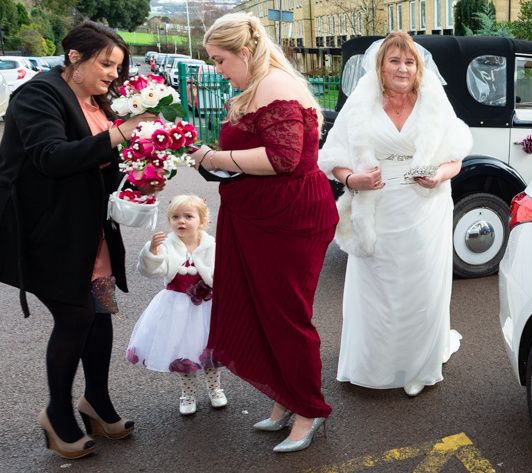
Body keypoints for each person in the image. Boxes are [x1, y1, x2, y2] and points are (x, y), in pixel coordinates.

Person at [0, 21, 159, 459]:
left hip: (89, 232)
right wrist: (124, 131)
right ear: (74, 56)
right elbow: (51, 157)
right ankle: (57, 413)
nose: (113, 74)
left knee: (100, 313)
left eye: (118, 67)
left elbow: (100, 165)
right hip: (49, 232)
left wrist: (138, 180)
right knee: (75, 317)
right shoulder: (37, 95)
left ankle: (96, 402)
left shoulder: (97, 101)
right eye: (106, 63)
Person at [189, 12, 338, 453]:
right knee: (266, 312)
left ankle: (308, 409)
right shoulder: (258, 86)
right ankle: (285, 399)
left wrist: (215, 159)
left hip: (287, 220)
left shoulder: (273, 85)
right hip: (263, 217)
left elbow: (285, 158)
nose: (217, 69)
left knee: (286, 317)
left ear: (246, 52)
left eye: (220, 60)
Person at [318, 32, 472, 396]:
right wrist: (352, 178)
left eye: (409, 61)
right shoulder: (361, 104)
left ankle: (418, 364)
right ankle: (374, 363)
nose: (402, 68)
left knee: (422, 289)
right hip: (377, 209)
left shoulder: (434, 103)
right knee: (378, 289)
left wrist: (437, 176)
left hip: (425, 209)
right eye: (394, 61)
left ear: (418, 68)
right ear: (380, 66)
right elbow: (332, 157)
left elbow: (457, 155)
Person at [126, 194, 227, 415]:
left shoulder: (211, 245)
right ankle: (188, 394)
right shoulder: (167, 246)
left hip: (207, 307)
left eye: (188, 216)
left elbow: (224, 272)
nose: (181, 221)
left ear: (202, 221)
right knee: (184, 351)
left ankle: (215, 389)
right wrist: (152, 251)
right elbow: (151, 270)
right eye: (175, 217)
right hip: (177, 306)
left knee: (210, 350)